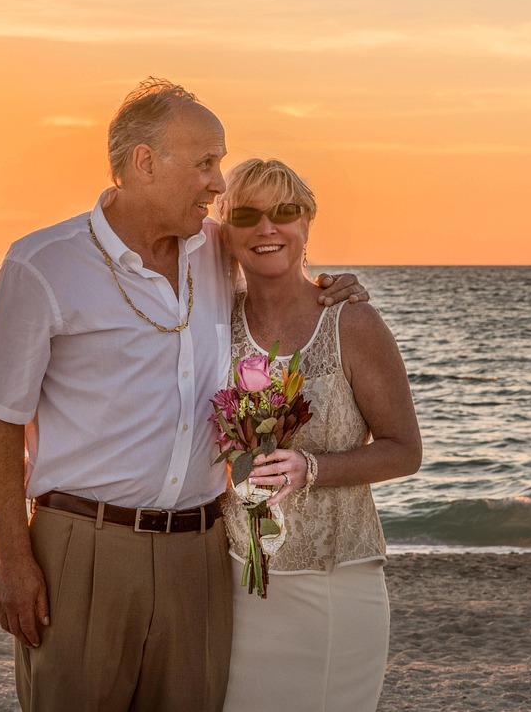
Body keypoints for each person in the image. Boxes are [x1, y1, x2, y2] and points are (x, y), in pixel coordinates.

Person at [0, 79, 369, 712]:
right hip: (83, 550)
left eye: (220, 162)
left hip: (201, 554)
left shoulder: (214, 250)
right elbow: (0, 423)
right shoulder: (42, 263)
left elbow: (275, 261)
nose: (218, 183)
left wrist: (329, 287)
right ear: (144, 163)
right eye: (206, 162)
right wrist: (12, 562)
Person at [216, 158, 422, 712]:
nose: (267, 228)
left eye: (285, 212)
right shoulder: (213, 325)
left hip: (335, 582)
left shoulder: (350, 322)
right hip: (236, 588)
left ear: (307, 222)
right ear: (223, 229)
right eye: (247, 214)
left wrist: (314, 469)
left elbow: (405, 450)